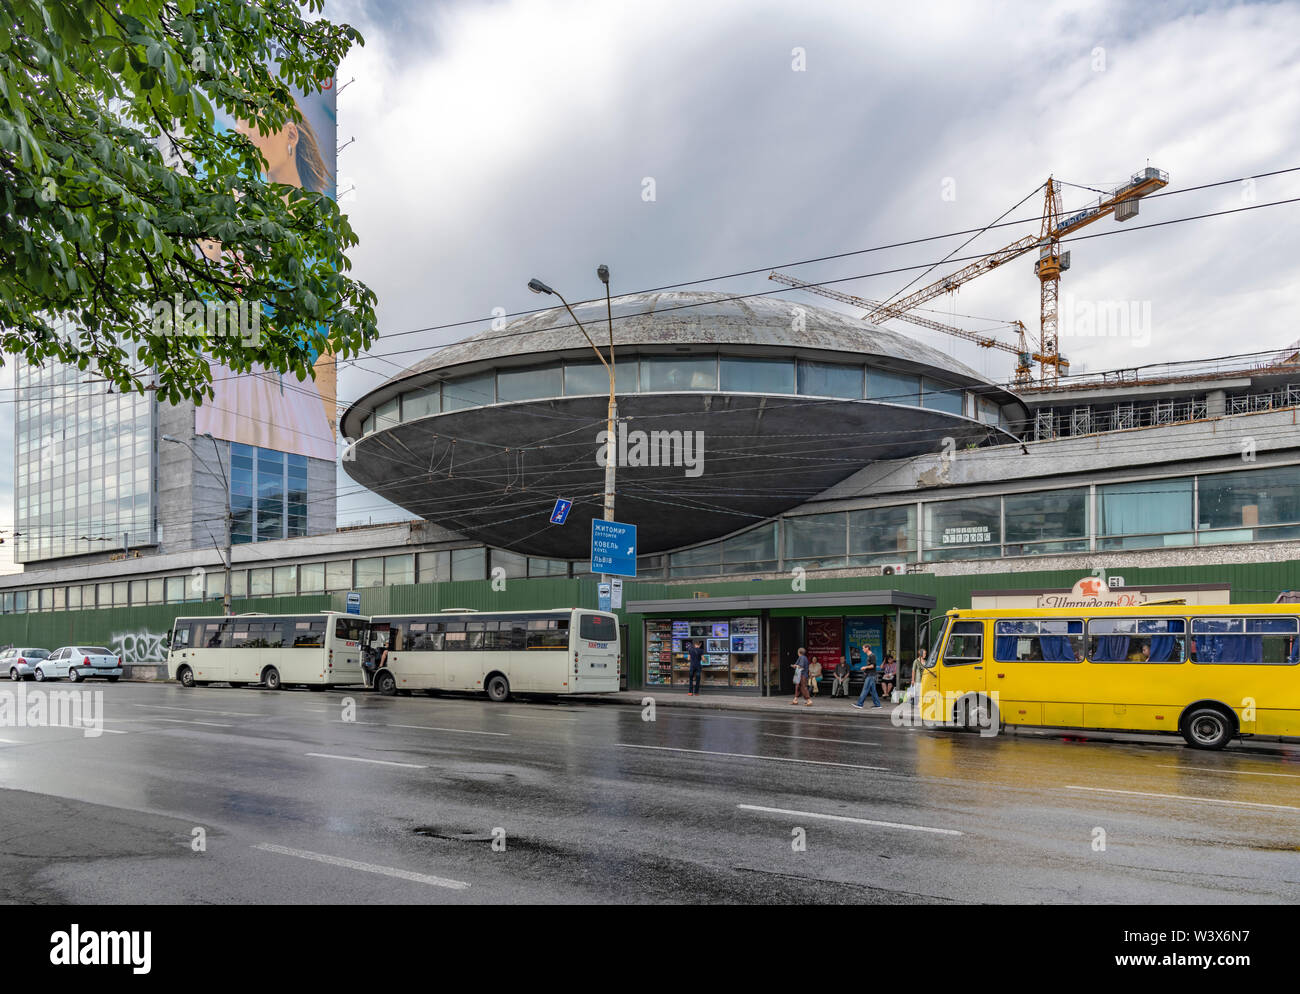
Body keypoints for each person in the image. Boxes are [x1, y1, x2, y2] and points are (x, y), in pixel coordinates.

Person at [852, 644, 882, 709]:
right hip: (870, 675)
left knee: (865, 689)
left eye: (863, 648)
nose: (862, 650)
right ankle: (878, 705)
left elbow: (873, 666)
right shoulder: (869, 656)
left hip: (871, 675)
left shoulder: (872, 656)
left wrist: (864, 667)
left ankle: (859, 704)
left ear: (867, 648)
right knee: (873, 691)